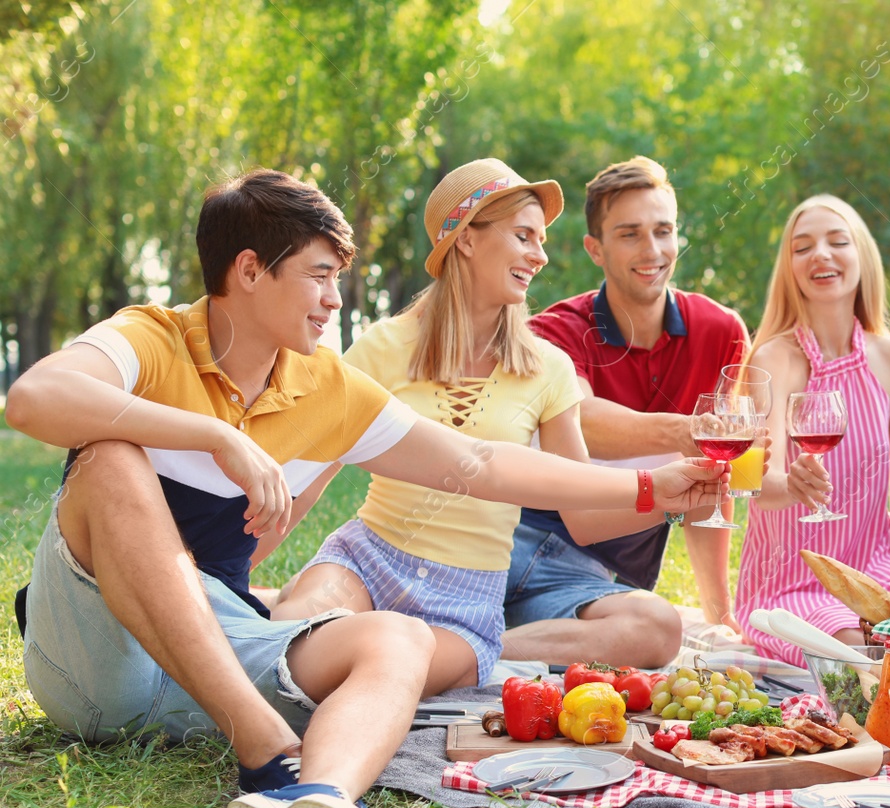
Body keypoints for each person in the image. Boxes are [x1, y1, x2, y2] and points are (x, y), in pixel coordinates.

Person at [6, 169, 720, 808]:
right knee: (109, 459)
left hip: (203, 652)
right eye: (319, 277)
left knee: (400, 635)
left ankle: (316, 802)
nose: (333, 300)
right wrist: (214, 437)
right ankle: (264, 749)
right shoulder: (151, 338)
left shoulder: (323, 385)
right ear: (249, 270)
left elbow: (476, 461)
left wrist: (649, 485)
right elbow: (35, 397)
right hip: (96, 662)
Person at [267, 160, 699, 695]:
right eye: (524, 236)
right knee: (291, 638)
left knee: (376, 671)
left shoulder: (548, 368)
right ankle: (288, 604)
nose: (540, 255)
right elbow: (309, 475)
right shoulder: (380, 349)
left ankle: (447, 640)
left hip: (466, 598)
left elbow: (584, 518)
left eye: (541, 239)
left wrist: (671, 498)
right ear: (466, 239)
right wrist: (230, 563)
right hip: (369, 559)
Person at [504, 156, 749, 667]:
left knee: (653, 632)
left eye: (663, 231)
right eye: (630, 234)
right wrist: (685, 432)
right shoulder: (556, 331)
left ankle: (469, 650)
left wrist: (718, 611)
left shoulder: (720, 331)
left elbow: (713, 484)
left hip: (595, 578)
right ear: (595, 248)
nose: (652, 250)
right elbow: (581, 421)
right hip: (520, 543)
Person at [732, 194, 890, 665]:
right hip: (793, 580)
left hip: (875, 569)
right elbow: (754, 483)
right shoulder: (776, 357)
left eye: (838, 242)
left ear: (862, 257)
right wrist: (792, 486)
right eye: (802, 247)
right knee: (855, 652)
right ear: (790, 268)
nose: (821, 254)